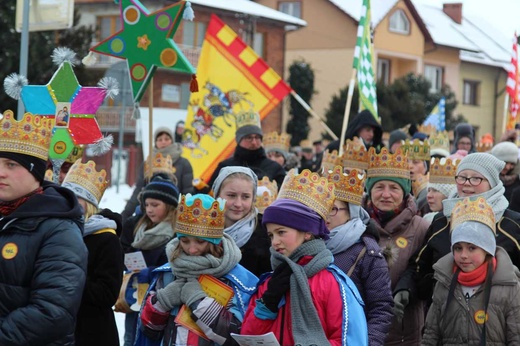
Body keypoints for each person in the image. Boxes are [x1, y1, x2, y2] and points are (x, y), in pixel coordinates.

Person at [241, 169, 368, 345]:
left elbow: (348, 339)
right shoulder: (269, 283)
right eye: (271, 235)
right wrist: (267, 304)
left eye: (281, 232)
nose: (275, 242)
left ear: (307, 232)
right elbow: (248, 336)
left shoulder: (332, 283)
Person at [0, 111, 87, 344]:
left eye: (11, 164)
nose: (1, 172)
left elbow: (53, 312)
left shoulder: (60, 231)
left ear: (35, 172)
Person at [136, 194, 259, 346]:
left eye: (200, 242)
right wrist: (162, 302)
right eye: (185, 241)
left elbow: (237, 338)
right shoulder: (168, 273)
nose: (192, 249)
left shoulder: (237, 280)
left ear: (215, 242)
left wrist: (199, 303)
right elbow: (149, 331)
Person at [407, 152, 520, 305]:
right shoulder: (442, 220)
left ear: (492, 183)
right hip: (445, 318)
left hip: (497, 321)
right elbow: (418, 266)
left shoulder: (511, 224)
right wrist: (406, 288)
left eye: (475, 178)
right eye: (462, 177)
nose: (467, 183)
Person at [422, 197, 520, 345]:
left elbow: (516, 337)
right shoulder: (443, 282)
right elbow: (431, 335)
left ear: (487, 249)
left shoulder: (509, 287)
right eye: (458, 248)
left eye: (472, 248)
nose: (463, 255)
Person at [362, 147, 430, 345]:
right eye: (379, 187)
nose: (386, 194)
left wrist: (408, 290)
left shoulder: (421, 228)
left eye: (394, 188)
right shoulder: (356, 227)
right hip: (364, 329)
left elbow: (424, 275)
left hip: (405, 333)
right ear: (369, 189)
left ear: (404, 191)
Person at [325, 166, 394, 345]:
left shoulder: (368, 252)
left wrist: (369, 343)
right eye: (321, 207)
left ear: (351, 212)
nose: (325, 215)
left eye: (332, 209)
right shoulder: (308, 244)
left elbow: (381, 309)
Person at [62, 159, 124, 346]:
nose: (68, 203)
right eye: (66, 196)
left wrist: (68, 278)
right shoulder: (60, 232)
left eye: (75, 197)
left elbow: (107, 294)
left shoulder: (107, 239)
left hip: (92, 332)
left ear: (88, 204)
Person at [119, 175, 179, 346]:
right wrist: (129, 259)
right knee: (130, 335)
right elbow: (121, 249)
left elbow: (175, 264)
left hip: (161, 296)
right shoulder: (135, 225)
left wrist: (153, 270)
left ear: (169, 206)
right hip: (135, 292)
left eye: (155, 205)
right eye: (146, 205)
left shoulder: (175, 232)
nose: (149, 209)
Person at [122, 126, 194, 222]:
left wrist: (184, 214)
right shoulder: (148, 164)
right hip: (149, 214)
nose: (163, 142)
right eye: (159, 139)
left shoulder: (183, 163)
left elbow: (187, 191)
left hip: (174, 213)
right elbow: (138, 190)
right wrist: (125, 215)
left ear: (172, 140)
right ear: (155, 142)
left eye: (166, 139)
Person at [212, 166, 271, 276]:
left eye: (245, 197)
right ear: (217, 195)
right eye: (231, 195)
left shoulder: (266, 232)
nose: (238, 204)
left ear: (253, 198)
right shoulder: (202, 226)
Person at [207, 112, 286, 189]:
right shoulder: (225, 167)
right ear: (239, 140)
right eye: (249, 138)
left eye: (257, 137)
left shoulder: (274, 168)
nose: (254, 142)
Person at [423, 158, 458, 223]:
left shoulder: (458, 223)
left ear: (450, 195)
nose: (428, 195)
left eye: (435, 190)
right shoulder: (425, 221)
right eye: (429, 190)